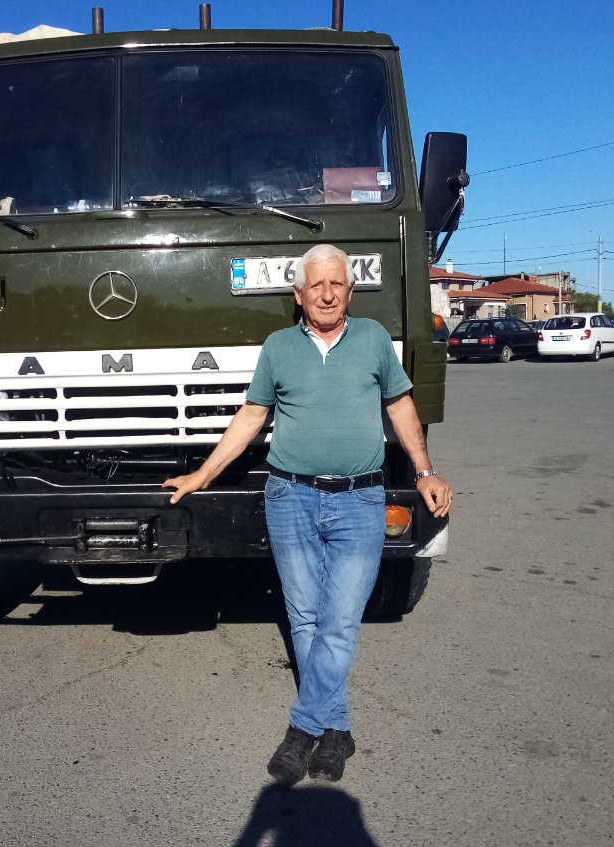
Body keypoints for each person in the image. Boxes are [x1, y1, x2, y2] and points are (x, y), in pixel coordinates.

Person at [163, 243, 452, 786]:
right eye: (315, 285)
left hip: (361, 500)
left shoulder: (372, 342)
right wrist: (203, 475)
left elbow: (401, 406)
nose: (326, 293)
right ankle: (337, 731)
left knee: (340, 621)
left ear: (349, 290)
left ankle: (302, 730)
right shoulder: (278, 347)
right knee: (305, 619)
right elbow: (252, 415)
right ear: (298, 295)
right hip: (290, 498)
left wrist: (424, 471)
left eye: (336, 284)